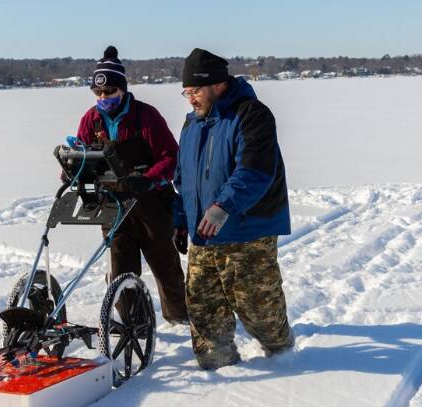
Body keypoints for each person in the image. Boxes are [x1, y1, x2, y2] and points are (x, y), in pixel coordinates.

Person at [173, 48, 295, 369]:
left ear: (218, 85)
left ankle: (285, 356)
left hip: (248, 228)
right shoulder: (191, 125)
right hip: (204, 233)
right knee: (203, 307)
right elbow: (183, 180)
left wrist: (222, 206)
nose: (190, 98)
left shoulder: (252, 115)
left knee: (259, 310)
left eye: (195, 90)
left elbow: (255, 171)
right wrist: (179, 220)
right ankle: (218, 367)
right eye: (186, 91)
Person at [75, 45, 188, 326]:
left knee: (165, 267)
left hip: (151, 203)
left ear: (122, 90)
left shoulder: (146, 116)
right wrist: (73, 173)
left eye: (109, 93)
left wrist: (149, 179)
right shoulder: (91, 119)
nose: (104, 98)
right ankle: (134, 326)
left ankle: (181, 318)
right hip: (113, 204)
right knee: (121, 270)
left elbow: (170, 157)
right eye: (99, 93)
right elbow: (82, 155)